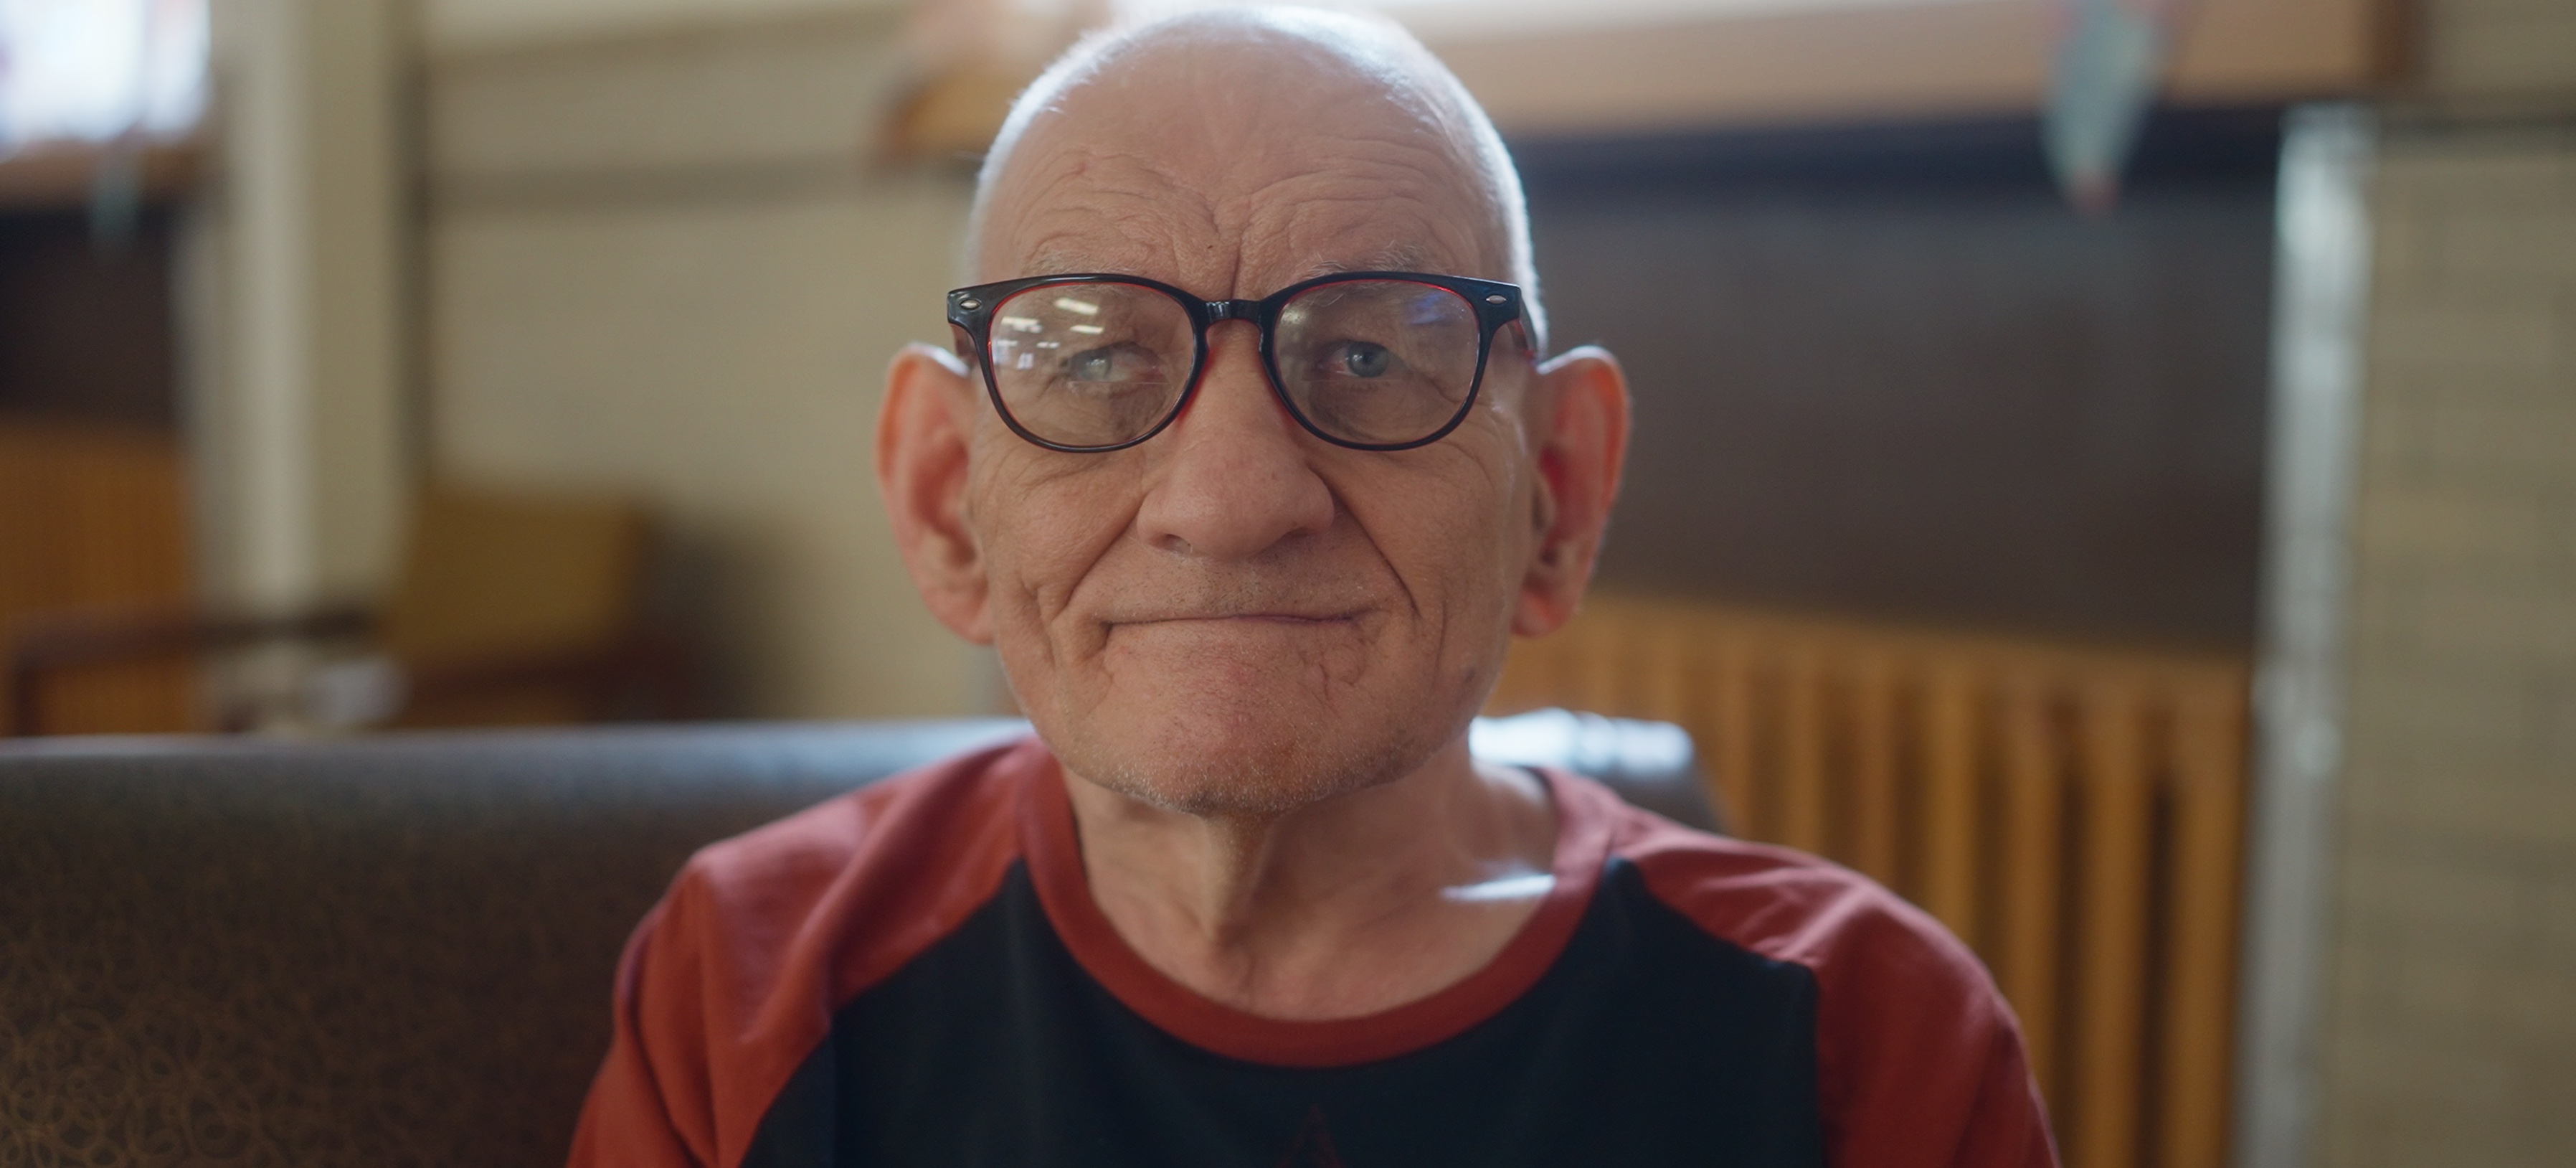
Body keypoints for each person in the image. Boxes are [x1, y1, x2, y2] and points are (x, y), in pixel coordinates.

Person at [568, 9, 2055, 1167]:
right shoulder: (755, 987)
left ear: (1555, 496)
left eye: (1364, 354)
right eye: (1090, 359)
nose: (1228, 503)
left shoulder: (1865, 1044)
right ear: (943, 504)